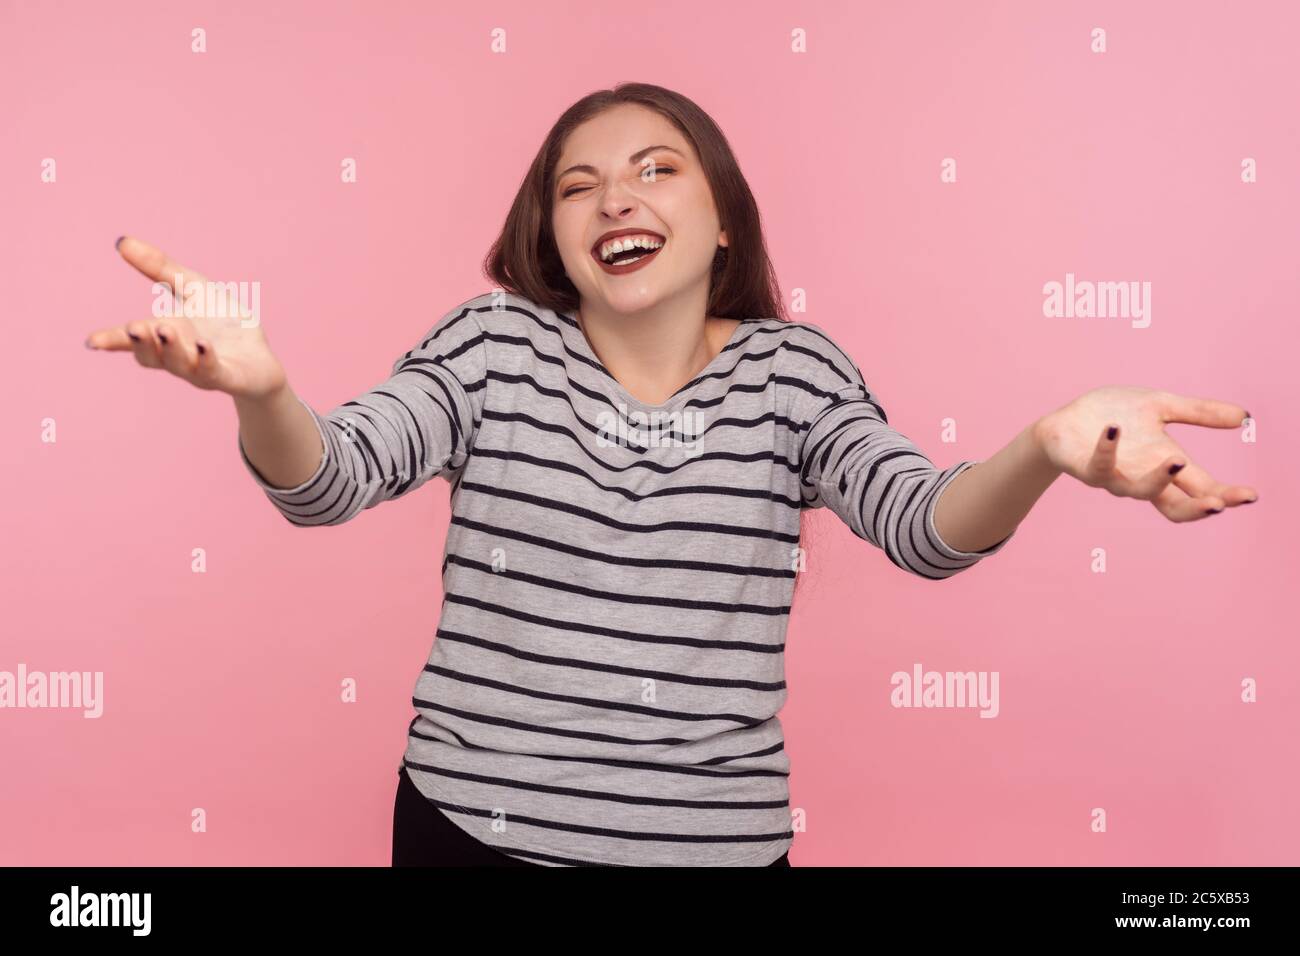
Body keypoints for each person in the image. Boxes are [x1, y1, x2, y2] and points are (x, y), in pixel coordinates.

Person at [84, 82, 1257, 868]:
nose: (615, 199)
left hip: (715, 850)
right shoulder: (491, 347)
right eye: (577, 184)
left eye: (656, 170)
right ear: (550, 233)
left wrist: (1046, 446)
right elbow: (330, 477)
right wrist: (262, 394)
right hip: (469, 832)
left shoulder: (795, 375)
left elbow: (919, 523)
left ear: (723, 222)